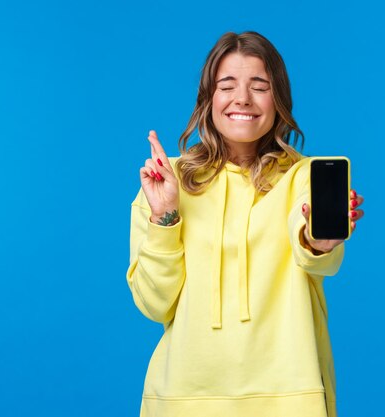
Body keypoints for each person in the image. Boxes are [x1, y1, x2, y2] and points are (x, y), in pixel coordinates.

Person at [126, 31, 364, 417]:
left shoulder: (303, 178)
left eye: (259, 86)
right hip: (183, 399)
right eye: (227, 86)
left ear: (278, 100)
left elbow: (317, 254)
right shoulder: (165, 180)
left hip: (290, 399)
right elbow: (154, 305)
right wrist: (165, 216)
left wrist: (319, 241)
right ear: (208, 98)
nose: (242, 99)